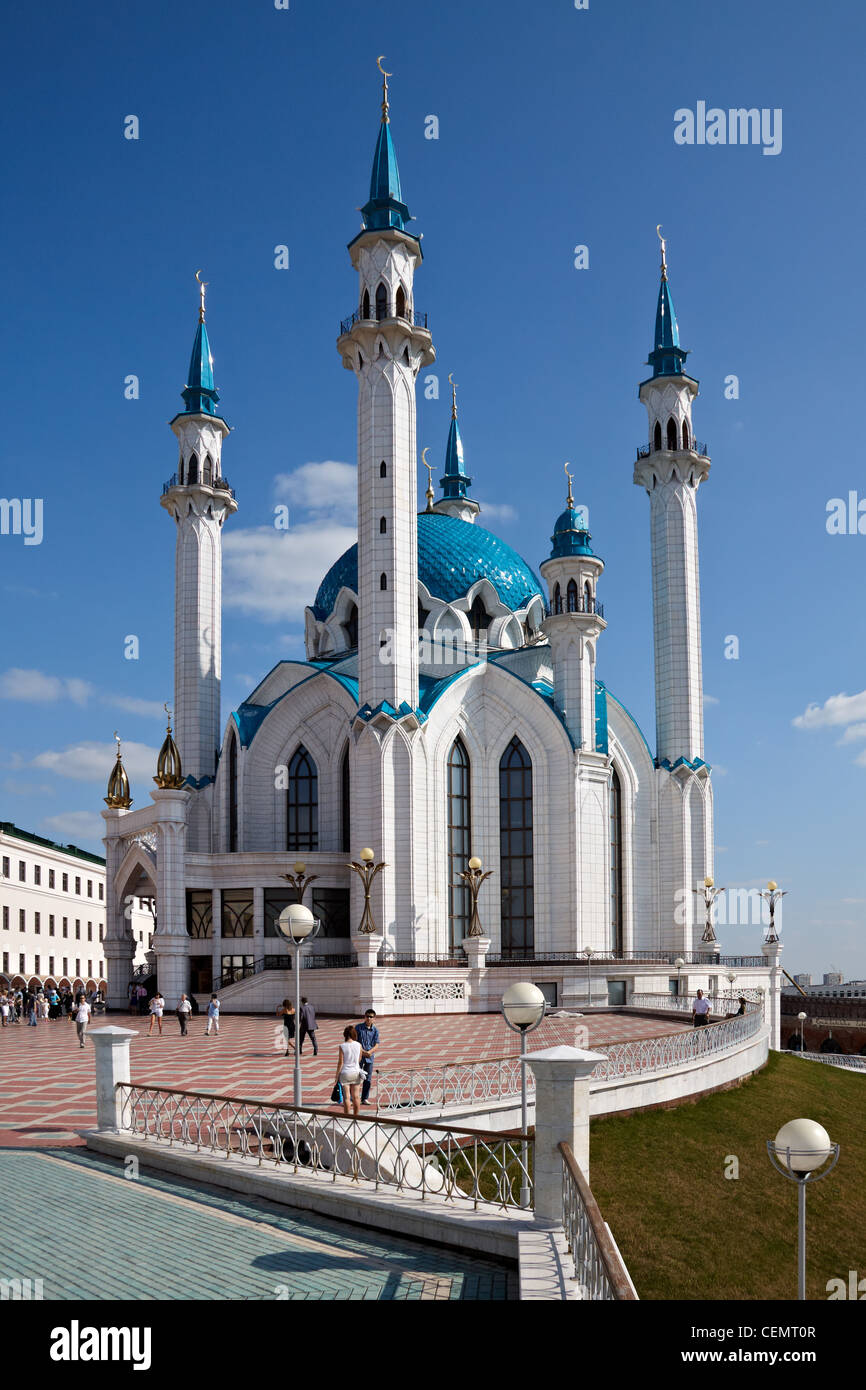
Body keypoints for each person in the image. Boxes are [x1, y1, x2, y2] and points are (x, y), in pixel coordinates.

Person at [334, 1025, 372, 1118]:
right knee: (356, 1096)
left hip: (345, 1073)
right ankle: (356, 1116)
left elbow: (340, 1062)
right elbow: (359, 1059)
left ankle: (347, 1117)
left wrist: (336, 1076)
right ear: (354, 1034)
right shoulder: (358, 1045)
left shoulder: (342, 1046)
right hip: (356, 1072)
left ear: (345, 1035)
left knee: (347, 1097)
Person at [355, 1009, 380, 1105]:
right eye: (367, 1016)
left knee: (368, 1078)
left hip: (370, 1057)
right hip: (359, 1056)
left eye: (371, 1017)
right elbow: (354, 1041)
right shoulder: (358, 1028)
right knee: (356, 1077)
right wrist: (362, 1051)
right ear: (364, 1017)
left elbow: (377, 1044)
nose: (368, 1018)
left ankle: (364, 1098)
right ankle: (354, 1097)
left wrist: (370, 1052)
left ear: (374, 1018)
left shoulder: (375, 1030)